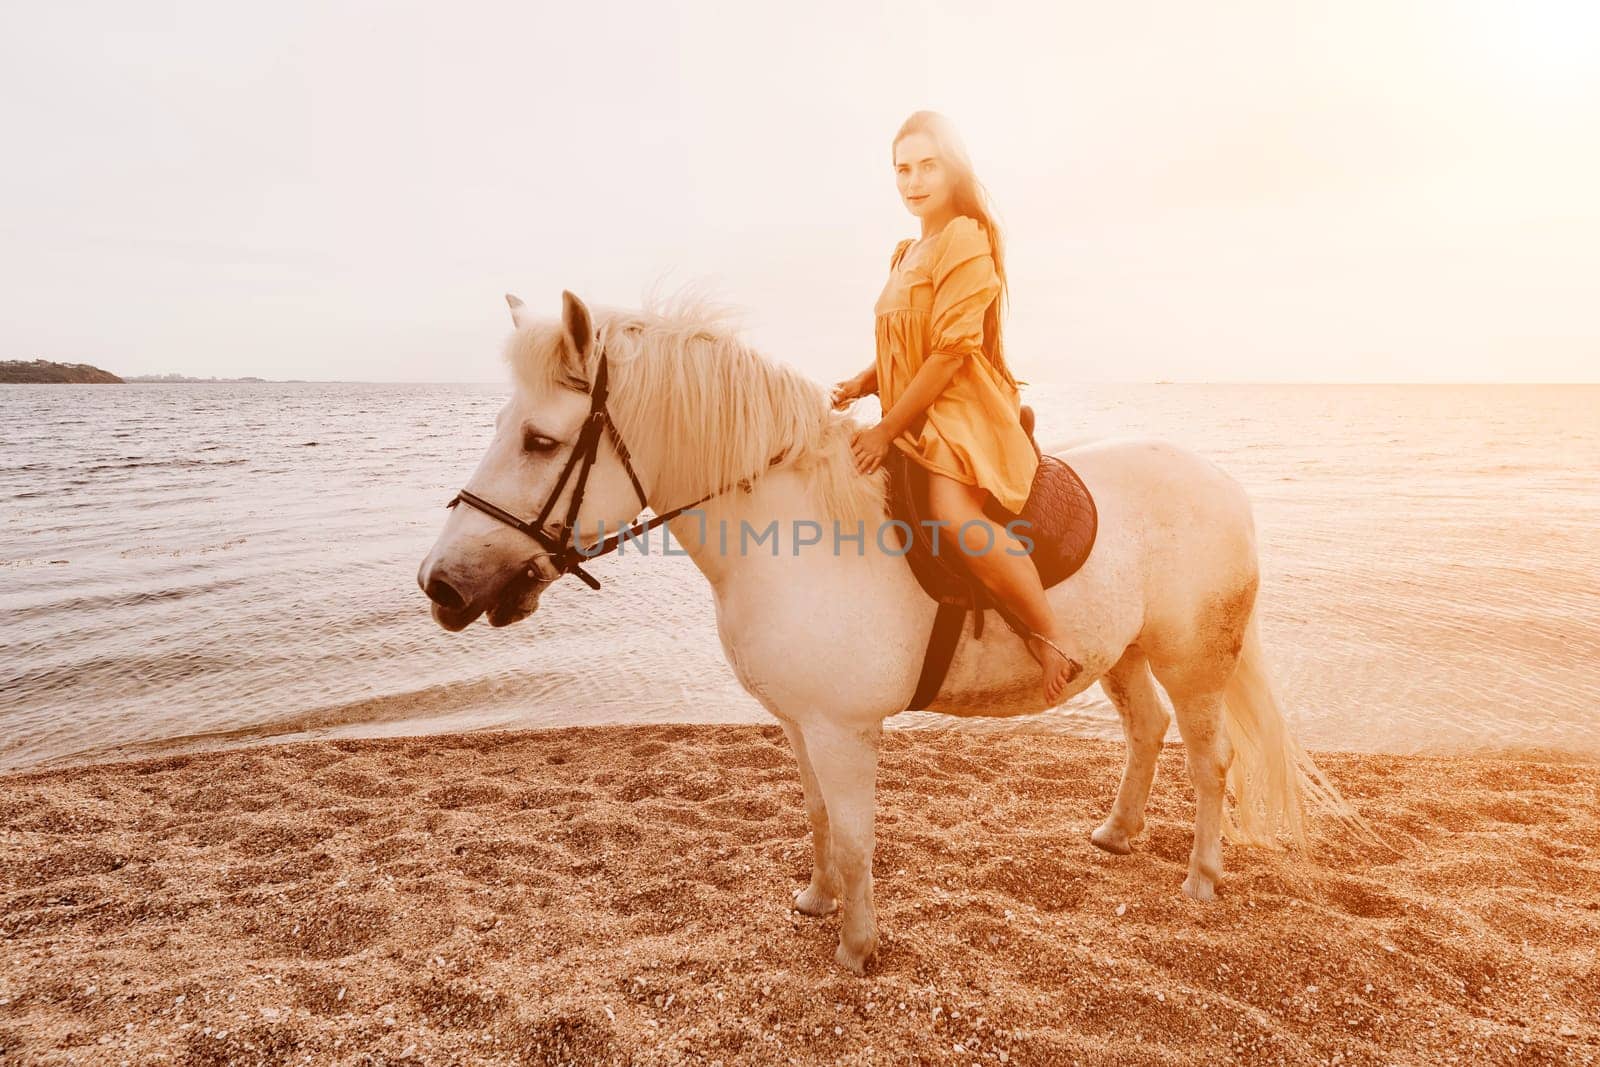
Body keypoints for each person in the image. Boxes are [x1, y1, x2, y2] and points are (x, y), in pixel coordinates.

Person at [830, 110, 1077, 704]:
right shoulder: (904, 253)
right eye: (902, 169)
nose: (913, 181)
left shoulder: (965, 237)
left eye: (927, 166)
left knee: (954, 517)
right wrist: (866, 381)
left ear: (953, 168)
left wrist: (887, 428)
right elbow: (901, 340)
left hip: (958, 405)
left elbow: (947, 353)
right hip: (912, 402)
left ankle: (1049, 635)